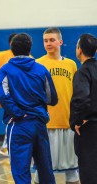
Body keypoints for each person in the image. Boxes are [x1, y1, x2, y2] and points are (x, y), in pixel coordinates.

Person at [0, 33, 58, 184]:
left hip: (19, 125)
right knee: (45, 168)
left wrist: (18, 113)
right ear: (30, 48)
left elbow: (4, 97)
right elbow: (52, 99)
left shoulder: (5, 70)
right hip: (39, 123)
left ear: (11, 49)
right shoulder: (42, 69)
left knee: (20, 171)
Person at [34, 27, 80, 184]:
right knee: (42, 172)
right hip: (46, 124)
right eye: (45, 41)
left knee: (73, 172)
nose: (48, 43)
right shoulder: (38, 63)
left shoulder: (71, 65)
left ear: (60, 41)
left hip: (68, 123)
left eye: (52, 40)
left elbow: (76, 93)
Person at [70, 34, 97, 184]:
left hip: (89, 128)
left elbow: (81, 98)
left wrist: (79, 120)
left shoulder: (82, 72)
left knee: (89, 171)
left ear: (79, 50)